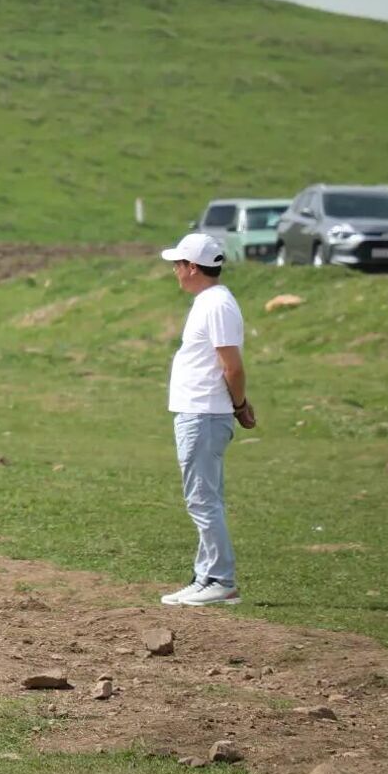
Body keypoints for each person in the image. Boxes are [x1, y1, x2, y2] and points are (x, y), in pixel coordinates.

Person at [157, 232, 254, 608]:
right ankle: (205, 576)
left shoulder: (216, 305)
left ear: (192, 267)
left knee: (202, 498)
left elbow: (231, 365)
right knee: (202, 496)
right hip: (198, 411)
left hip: (204, 414)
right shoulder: (209, 302)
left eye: (178, 265)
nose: (176, 272)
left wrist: (240, 404)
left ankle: (220, 579)